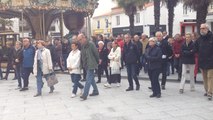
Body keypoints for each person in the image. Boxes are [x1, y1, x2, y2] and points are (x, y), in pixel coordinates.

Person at [194, 23, 213, 100]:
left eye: (203, 28)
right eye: (201, 28)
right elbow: (195, 49)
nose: (201, 30)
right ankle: (206, 90)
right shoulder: (199, 39)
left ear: (207, 29)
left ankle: (210, 92)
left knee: (210, 77)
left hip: (211, 61)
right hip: (202, 61)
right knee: (204, 78)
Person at [78, 33, 99, 100]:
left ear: (84, 37)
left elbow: (96, 53)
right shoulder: (83, 45)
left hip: (91, 64)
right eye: (79, 40)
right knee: (91, 78)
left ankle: (85, 94)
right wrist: (82, 64)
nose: (80, 41)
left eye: (80, 39)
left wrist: (97, 62)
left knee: (88, 79)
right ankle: (95, 91)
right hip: (86, 64)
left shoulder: (91, 44)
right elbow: (82, 56)